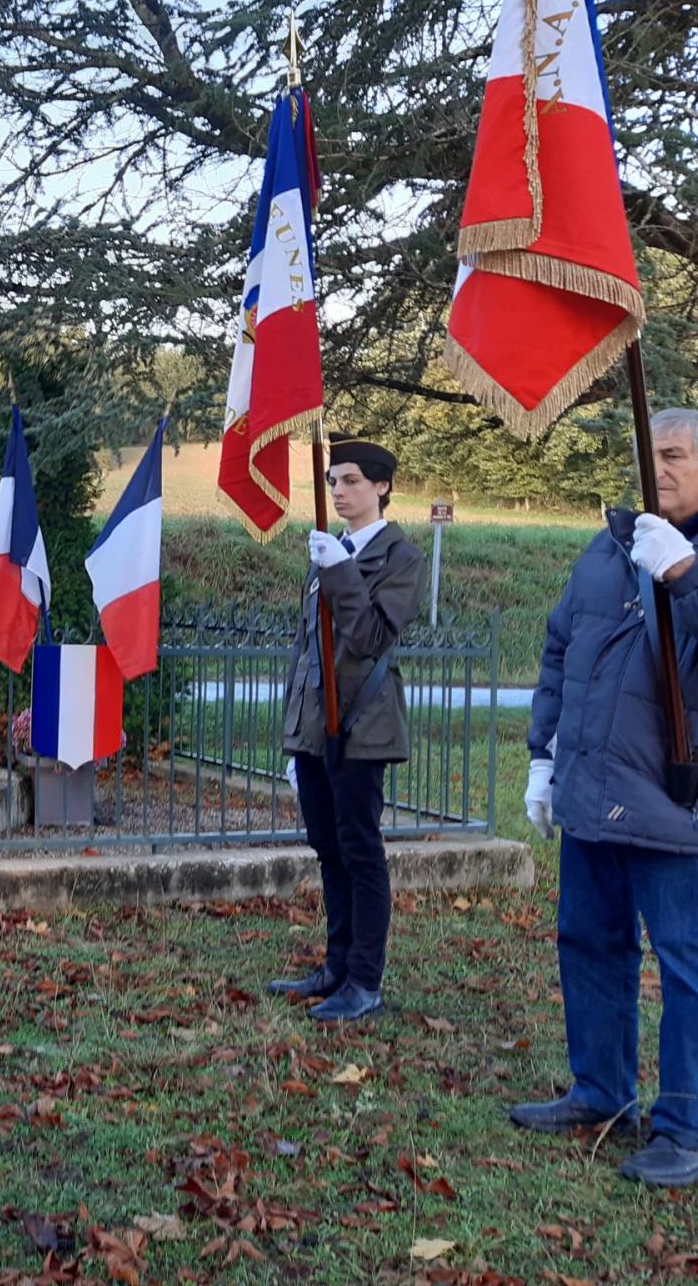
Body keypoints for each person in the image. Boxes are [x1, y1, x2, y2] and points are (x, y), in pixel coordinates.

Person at [511, 408, 698, 1187]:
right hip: (593, 791)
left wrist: (689, 574)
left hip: (683, 798)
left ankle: (690, 1130)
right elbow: (562, 648)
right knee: (588, 944)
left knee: (689, 966)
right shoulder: (612, 542)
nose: (659, 467)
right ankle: (601, 1092)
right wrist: (543, 757)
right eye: (649, 454)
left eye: (676, 454)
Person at [268, 434, 424, 1022]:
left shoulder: (401, 557)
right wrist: (297, 735)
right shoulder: (327, 547)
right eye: (333, 481)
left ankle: (365, 979)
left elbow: (369, 639)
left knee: (361, 851)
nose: (339, 490)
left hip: (364, 727)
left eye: (352, 480)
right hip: (318, 729)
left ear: (382, 486)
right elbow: (309, 650)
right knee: (327, 849)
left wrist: (340, 573)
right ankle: (336, 965)